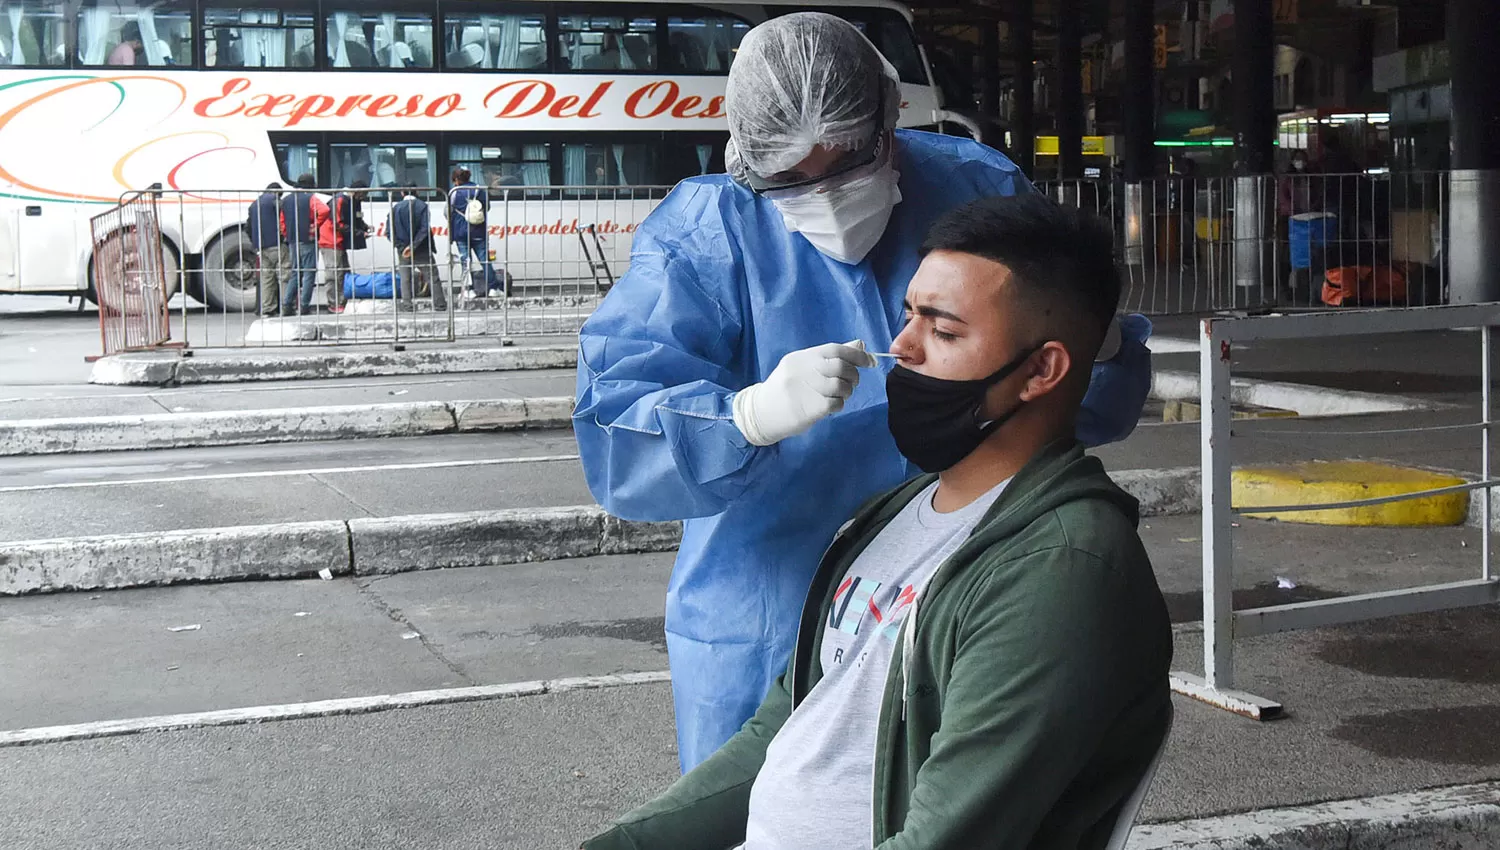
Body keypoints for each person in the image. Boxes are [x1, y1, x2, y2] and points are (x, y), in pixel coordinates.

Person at [572, 11, 1154, 773]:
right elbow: (620, 424)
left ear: (890, 126)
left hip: (964, 585)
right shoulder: (707, 235)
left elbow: (1084, 392)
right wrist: (745, 417)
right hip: (772, 610)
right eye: (790, 178)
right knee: (763, 805)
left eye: (849, 162)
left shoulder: (976, 189)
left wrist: (1093, 341)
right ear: (745, 164)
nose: (829, 196)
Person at [582, 193, 1172, 850]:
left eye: (943, 331)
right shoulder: (888, 521)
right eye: (908, 315)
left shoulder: (1059, 573)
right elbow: (777, 733)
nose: (902, 347)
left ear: (1043, 368)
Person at [389, 187, 446, 311]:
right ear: (418, 192)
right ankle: (440, 304)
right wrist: (413, 246)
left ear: (402, 192)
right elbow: (425, 229)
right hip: (422, 248)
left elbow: (389, 232)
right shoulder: (422, 206)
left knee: (405, 278)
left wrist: (402, 247)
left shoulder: (395, 208)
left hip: (403, 251)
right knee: (432, 277)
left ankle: (407, 305)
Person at [447, 167, 499, 298]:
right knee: (484, 260)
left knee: (465, 261)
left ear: (457, 179)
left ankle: (469, 290)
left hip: (460, 232)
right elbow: (487, 207)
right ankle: (493, 289)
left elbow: (447, 212)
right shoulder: (479, 190)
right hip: (478, 231)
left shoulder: (454, 192)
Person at [279, 173, 318, 315]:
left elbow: (282, 222)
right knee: (309, 273)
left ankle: (287, 305)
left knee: (295, 272)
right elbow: (324, 210)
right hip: (308, 240)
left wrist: (287, 234)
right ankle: (304, 306)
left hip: (292, 241)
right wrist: (315, 225)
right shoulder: (311, 198)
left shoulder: (286, 200)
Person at [314, 181, 357, 312]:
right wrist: (356, 232)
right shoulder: (339, 201)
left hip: (336, 241)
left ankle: (341, 300)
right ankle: (334, 303)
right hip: (330, 241)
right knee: (334, 273)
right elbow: (337, 223)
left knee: (342, 272)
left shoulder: (342, 200)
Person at [247, 182, 288, 317]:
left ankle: (267, 308)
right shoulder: (276, 202)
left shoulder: (254, 205)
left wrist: (255, 243)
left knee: (266, 278)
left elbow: (248, 227)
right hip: (277, 244)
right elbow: (284, 221)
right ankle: (285, 306)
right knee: (284, 276)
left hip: (261, 247)